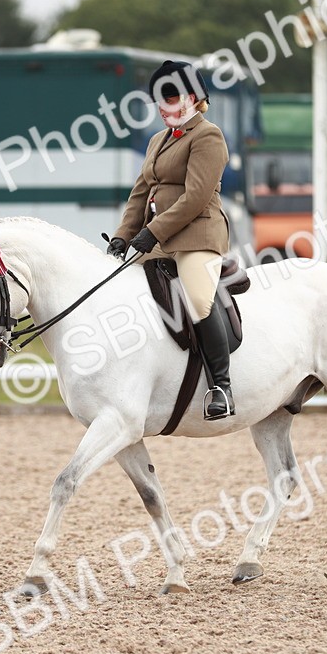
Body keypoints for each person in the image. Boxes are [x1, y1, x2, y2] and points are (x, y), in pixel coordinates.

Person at [108, 60, 234, 420]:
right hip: (159, 238)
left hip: (198, 235)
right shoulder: (156, 140)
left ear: (193, 100)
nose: (163, 110)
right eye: (159, 104)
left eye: (171, 101)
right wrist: (123, 235)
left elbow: (195, 197)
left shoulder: (208, 136)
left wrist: (153, 232)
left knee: (196, 301)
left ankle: (222, 387)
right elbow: (139, 193)